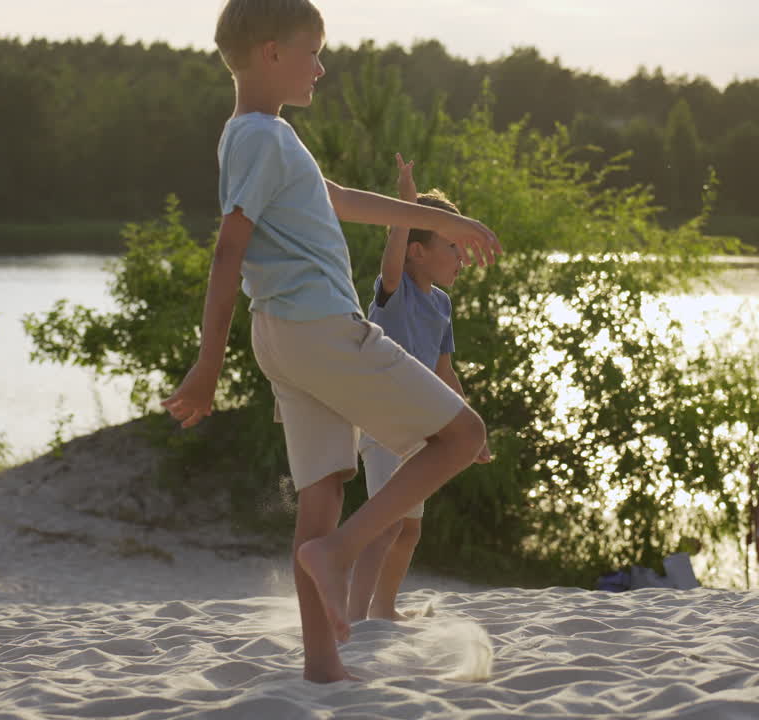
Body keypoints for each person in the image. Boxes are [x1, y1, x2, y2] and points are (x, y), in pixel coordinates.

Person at [161, 0, 503, 684]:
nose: (321, 67)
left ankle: (323, 664)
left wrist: (439, 220)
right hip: (318, 328)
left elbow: (340, 197)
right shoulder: (263, 137)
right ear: (271, 53)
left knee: (323, 490)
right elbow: (228, 251)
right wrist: (206, 364)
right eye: (313, 52)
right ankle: (342, 552)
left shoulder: (258, 137)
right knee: (463, 436)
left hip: (282, 337)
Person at [346, 155, 492, 623]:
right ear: (416, 251)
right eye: (451, 245)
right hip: (385, 424)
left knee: (408, 529)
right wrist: (405, 205)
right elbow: (392, 260)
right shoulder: (395, 291)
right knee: (385, 524)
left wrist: (471, 432)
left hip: (422, 433)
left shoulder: (442, 305)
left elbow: (445, 371)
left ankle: (383, 608)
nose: (461, 257)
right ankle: (355, 615)